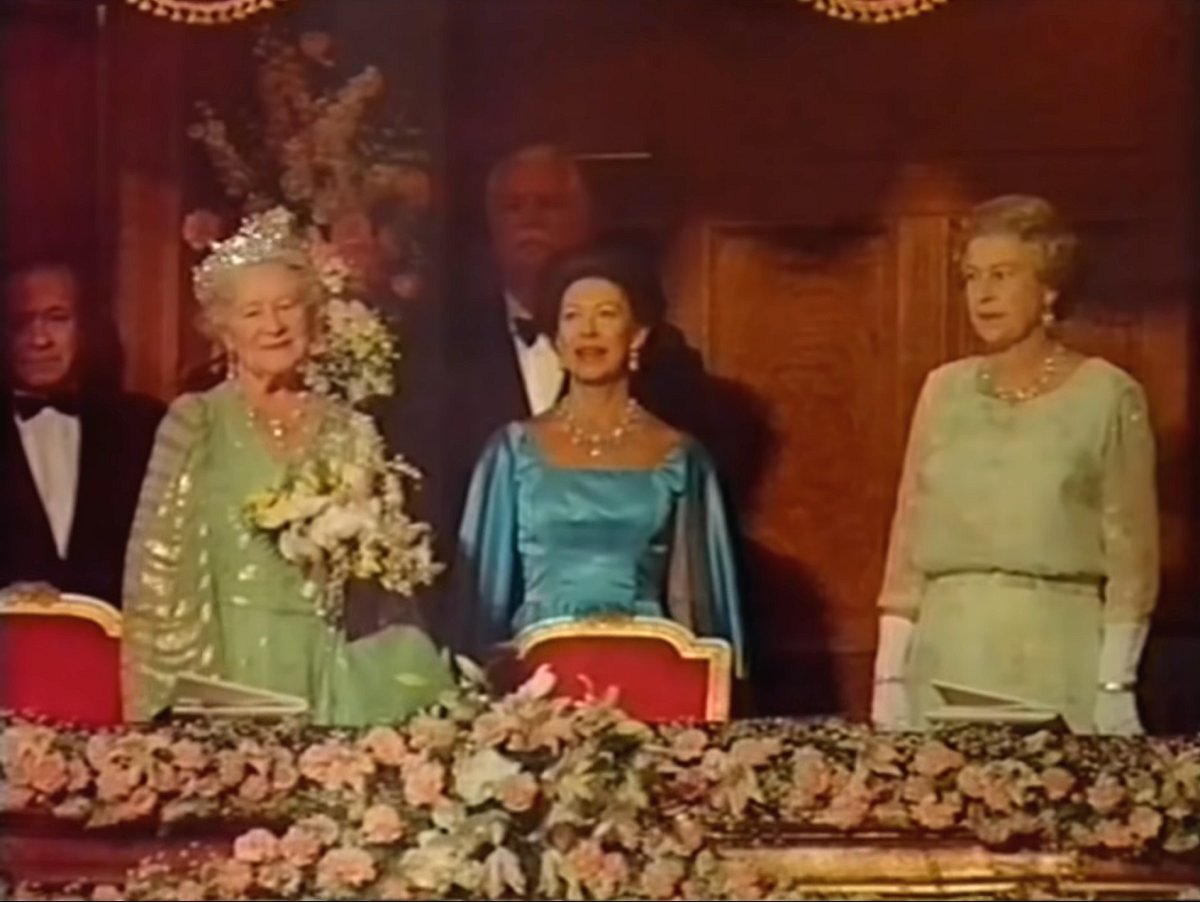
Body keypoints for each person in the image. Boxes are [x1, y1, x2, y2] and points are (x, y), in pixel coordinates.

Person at [121, 208, 454, 725]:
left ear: (312, 317)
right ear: (224, 330)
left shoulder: (351, 429)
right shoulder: (196, 422)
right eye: (253, 313)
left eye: (287, 307)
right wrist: (171, 705)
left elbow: (385, 581)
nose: (273, 326)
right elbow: (160, 574)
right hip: (230, 670)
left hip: (332, 672)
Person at [869, 194, 1159, 735]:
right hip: (944, 653)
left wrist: (1115, 687)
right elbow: (908, 537)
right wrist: (888, 678)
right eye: (972, 277)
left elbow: (1131, 558)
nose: (984, 294)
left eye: (1003, 275)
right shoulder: (944, 391)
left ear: (1049, 286)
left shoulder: (1107, 395)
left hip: (1054, 653)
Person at [455, 244, 746, 677]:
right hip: (536, 679)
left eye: (606, 314)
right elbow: (481, 604)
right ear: (556, 337)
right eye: (572, 317)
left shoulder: (679, 455)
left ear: (638, 335)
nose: (588, 331)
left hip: (646, 668)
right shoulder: (513, 452)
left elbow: (702, 607)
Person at [450, 144, 712, 527]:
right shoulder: (445, 353)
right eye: (514, 206)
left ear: (587, 221)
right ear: (491, 226)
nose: (530, 219)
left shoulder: (662, 358)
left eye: (548, 204)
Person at [0, 260, 163, 604]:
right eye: (20, 323)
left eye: (57, 318)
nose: (39, 339)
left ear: (86, 326)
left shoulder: (144, 426)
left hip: (122, 650)